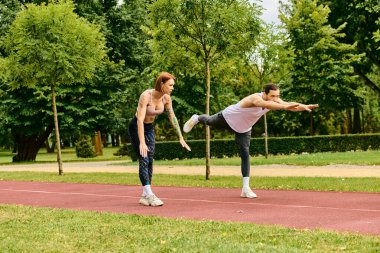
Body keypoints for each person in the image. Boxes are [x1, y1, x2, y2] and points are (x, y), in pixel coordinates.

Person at [183, 83, 318, 198]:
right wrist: (284, 106)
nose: (276, 99)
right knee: (209, 121)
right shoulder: (256, 98)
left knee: (245, 154)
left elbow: (289, 105)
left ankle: (245, 189)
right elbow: (266, 104)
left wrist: (304, 106)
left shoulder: (276, 100)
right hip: (228, 118)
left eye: (277, 96)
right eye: (273, 96)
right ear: (264, 93)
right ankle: (197, 118)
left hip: (244, 128)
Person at [128, 72, 191, 206]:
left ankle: (145, 195)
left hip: (150, 127)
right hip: (136, 127)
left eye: (173, 85)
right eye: (170, 85)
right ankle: (150, 194)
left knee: (150, 159)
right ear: (162, 84)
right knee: (143, 158)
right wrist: (142, 143)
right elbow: (139, 120)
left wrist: (181, 137)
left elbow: (172, 117)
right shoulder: (146, 96)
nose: (172, 88)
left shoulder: (166, 99)